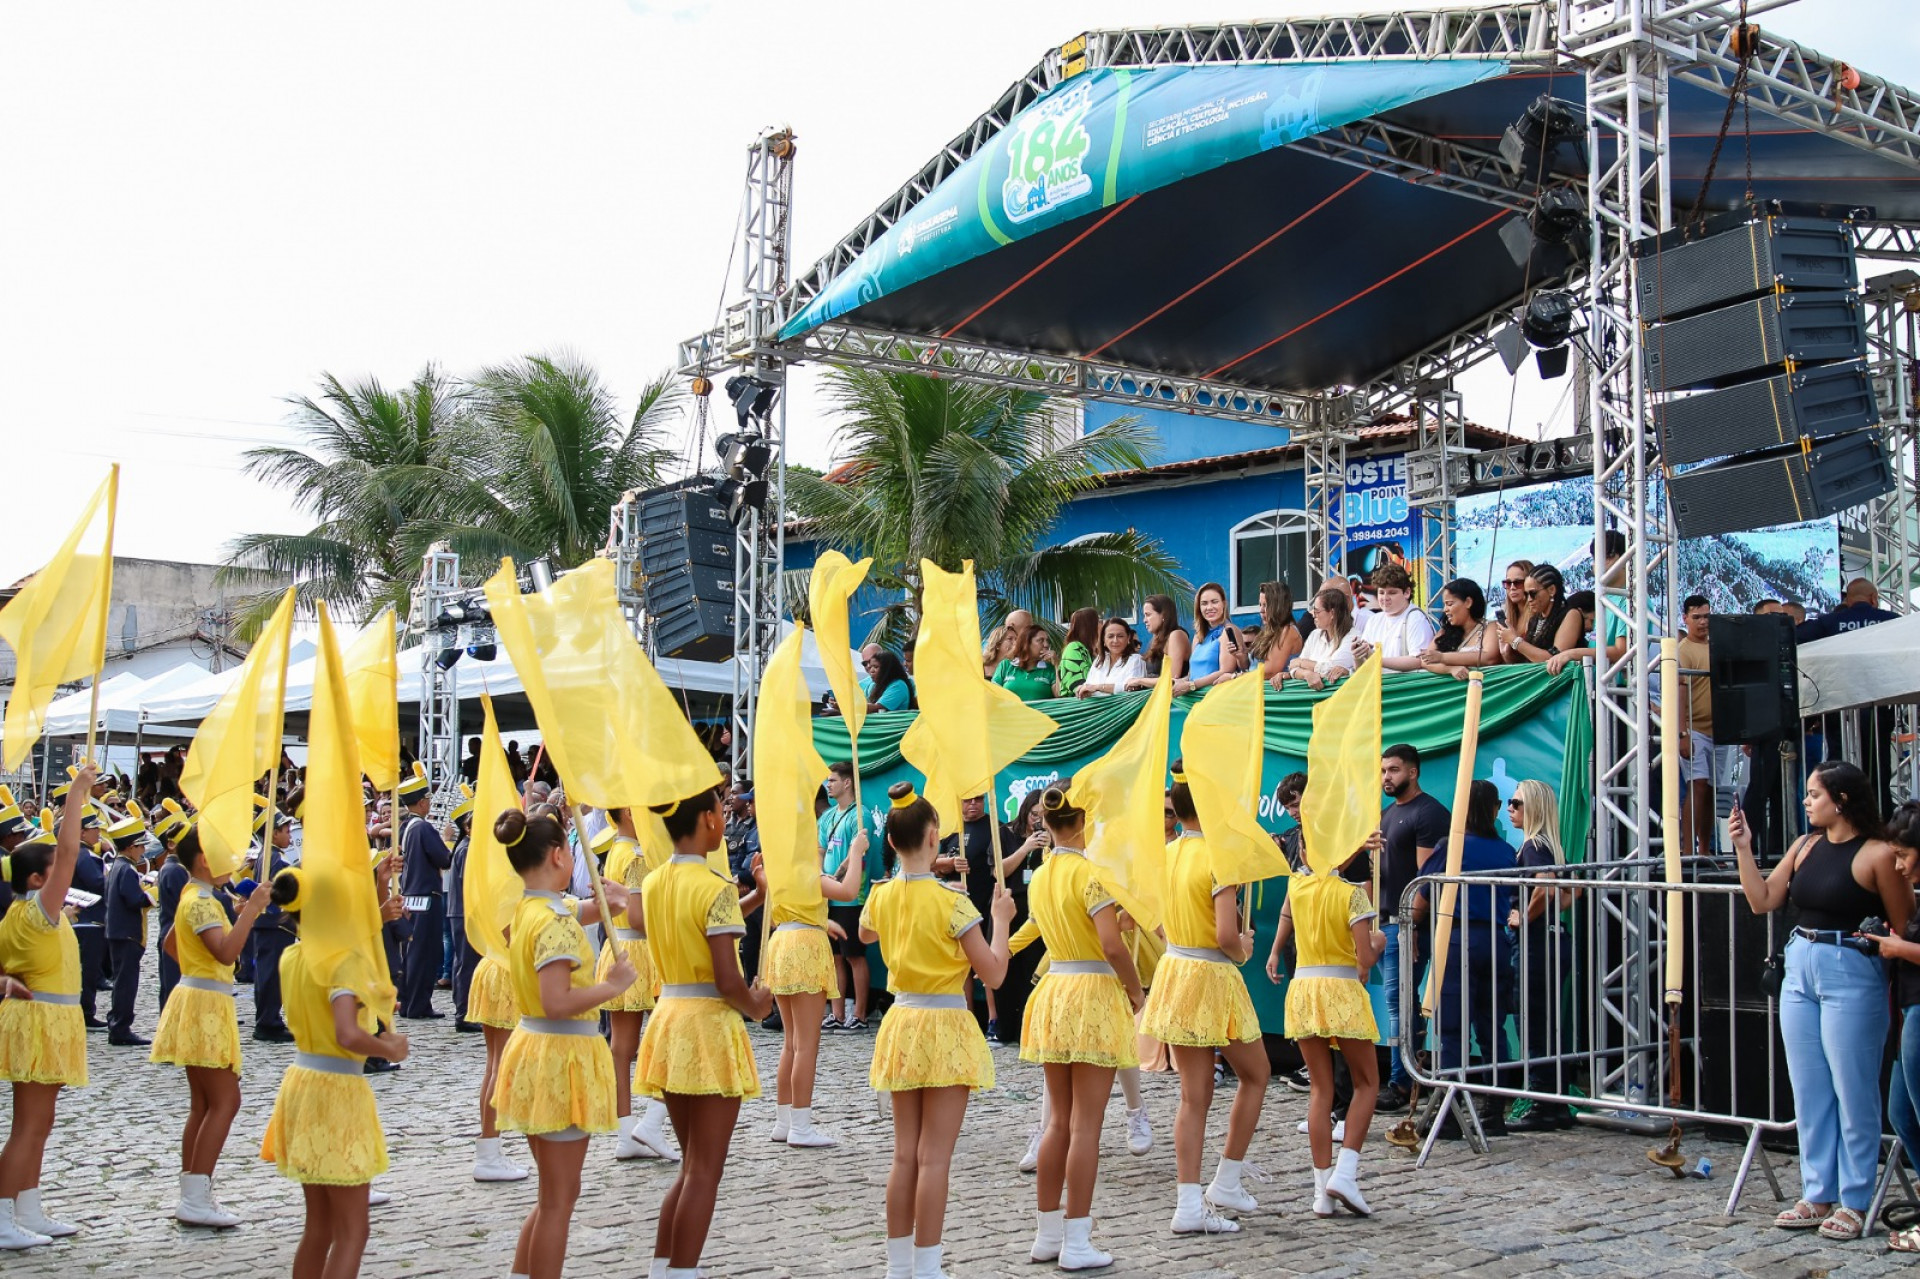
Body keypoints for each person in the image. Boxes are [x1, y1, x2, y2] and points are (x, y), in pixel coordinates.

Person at [1732, 760, 1911, 1241]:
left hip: (1851, 965)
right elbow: (1761, 899)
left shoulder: (1875, 854)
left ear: (1842, 798)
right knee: (1809, 1088)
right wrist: (1744, 849)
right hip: (1800, 963)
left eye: (1814, 793)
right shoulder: (1805, 845)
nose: (1807, 801)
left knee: (1853, 1090)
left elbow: (1903, 921)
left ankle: (1853, 1198)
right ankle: (1817, 1192)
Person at [862, 782, 1016, 1279]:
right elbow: (993, 973)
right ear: (934, 838)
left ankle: (898, 1266)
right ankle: (927, 1267)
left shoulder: (882, 896)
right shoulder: (953, 904)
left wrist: (890, 888)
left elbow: (866, 931)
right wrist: (1000, 920)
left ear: (889, 842)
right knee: (933, 1159)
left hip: (902, 1022)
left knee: (904, 1155)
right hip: (945, 1024)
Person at [633, 784, 774, 1279]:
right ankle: (681, 1270)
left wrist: (757, 894)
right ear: (711, 820)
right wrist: (757, 1005)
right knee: (703, 1171)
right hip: (707, 1027)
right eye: (718, 809)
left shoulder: (653, 883)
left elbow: (702, 930)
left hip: (669, 1018)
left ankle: (663, 1266)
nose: (723, 817)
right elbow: (727, 980)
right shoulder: (714, 887)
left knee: (691, 1166)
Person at [489, 807, 636, 1279]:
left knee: (553, 1195)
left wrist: (616, 899)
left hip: (539, 1050)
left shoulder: (533, 907)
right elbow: (557, 1000)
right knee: (559, 1200)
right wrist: (611, 987)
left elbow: (588, 909)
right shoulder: (551, 920)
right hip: (557, 1057)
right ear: (558, 855)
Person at [256, 868, 411, 1279]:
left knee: (319, 1227)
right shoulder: (340, 962)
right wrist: (386, 1046)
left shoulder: (294, 954)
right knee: (351, 1231)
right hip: (336, 1090)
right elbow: (346, 1032)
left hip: (302, 1081)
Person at [1015, 784, 1144, 1271]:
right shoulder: (1092, 875)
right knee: (1085, 1126)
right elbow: (1111, 946)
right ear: (1084, 823)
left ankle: (1047, 1234)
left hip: (1055, 990)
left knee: (1057, 1122)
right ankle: (1077, 1241)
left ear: (1047, 825)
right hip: (1090, 993)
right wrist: (1136, 991)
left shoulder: (1043, 875)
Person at [1139, 763, 1271, 1236]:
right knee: (1256, 1074)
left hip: (1175, 968)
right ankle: (1226, 1179)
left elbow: (1154, 918)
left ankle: (1190, 1202)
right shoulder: (1220, 857)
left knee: (1193, 1097)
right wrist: (1245, 948)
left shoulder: (1168, 854)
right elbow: (1225, 935)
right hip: (1210, 974)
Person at [151, 823, 274, 1228]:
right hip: (205, 1003)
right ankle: (197, 1194)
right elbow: (225, 954)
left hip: (196, 996)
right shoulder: (203, 900)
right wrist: (251, 912)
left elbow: (172, 943)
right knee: (225, 1102)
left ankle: (193, 1191)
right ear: (204, 860)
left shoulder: (195, 894)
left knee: (204, 1104)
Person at [1270, 807, 1386, 1217]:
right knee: (1366, 1083)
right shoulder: (1352, 894)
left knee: (1320, 1090)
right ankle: (1346, 1173)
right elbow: (1365, 959)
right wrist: (1380, 941)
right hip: (1339, 989)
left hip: (1303, 988)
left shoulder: (1298, 887)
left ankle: (1321, 1191)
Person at [0, 766, 96, 1248]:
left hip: (48, 1019)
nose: (64, 870)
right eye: (54, 869)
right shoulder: (37, 910)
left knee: (40, 1123)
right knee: (28, 1126)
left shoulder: (27, 912)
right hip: (41, 1021)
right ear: (39, 878)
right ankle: (2, 1216)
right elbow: (71, 851)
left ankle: (28, 1209)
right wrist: (77, 792)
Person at [755, 796, 865, 1148]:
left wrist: (821, 920)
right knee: (806, 1045)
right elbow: (848, 891)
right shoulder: (806, 869)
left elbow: (781, 914)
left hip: (783, 943)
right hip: (804, 948)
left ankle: (784, 1120)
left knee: (790, 1043)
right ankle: (801, 1125)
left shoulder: (779, 868)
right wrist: (858, 851)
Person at [1411, 780, 1519, 1139]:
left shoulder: (1452, 848)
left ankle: (1451, 1113)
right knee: (1492, 1028)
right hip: (1495, 941)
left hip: (1457, 938)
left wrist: (1410, 926)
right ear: (1492, 809)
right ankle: (1493, 1110)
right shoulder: (1505, 851)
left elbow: (1422, 893)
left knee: (1453, 1028)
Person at [600, 808, 680, 1163]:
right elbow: (637, 915)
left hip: (617, 946)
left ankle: (625, 1130)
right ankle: (651, 1120)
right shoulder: (633, 855)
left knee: (622, 1048)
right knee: (668, 1036)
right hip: (639, 949)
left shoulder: (615, 851)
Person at [1375, 744, 1447, 1111]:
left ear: (1413, 772)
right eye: (1384, 770)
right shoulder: (1388, 813)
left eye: (1394, 770)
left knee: (1399, 1000)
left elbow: (1427, 879)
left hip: (1407, 925)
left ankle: (1401, 1084)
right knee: (1399, 1001)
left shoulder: (1429, 813)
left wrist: (1413, 925)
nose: (1387, 776)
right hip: (1387, 922)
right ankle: (1408, 1075)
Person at [939, 793, 1041, 1045]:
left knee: (1032, 968)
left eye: (1043, 816)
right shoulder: (1004, 833)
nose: (1038, 821)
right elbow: (999, 871)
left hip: (1033, 907)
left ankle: (1029, 1028)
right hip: (1001, 903)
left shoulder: (999, 827)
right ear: (1025, 811)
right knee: (995, 965)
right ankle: (995, 1024)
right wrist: (1027, 847)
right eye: (1034, 814)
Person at [1505, 779, 1576, 1132]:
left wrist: (1523, 917)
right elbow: (1568, 892)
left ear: (1532, 807)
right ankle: (1553, 1101)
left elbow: (1549, 887)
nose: (1510, 808)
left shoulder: (1534, 846)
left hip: (1536, 944)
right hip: (1551, 940)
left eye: (1516, 803)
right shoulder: (1551, 845)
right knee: (1546, 1023)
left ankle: (1543, 1101)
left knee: (1533, 1024)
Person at [1872, 803, 1920, 1255]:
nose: (1900, 866)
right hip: (1910, 1009)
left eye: (1904, 855)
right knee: (1902, 1114)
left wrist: (1899, 946)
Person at [819, 762, 879, 1031]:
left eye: (832, 780)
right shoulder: (827, 817)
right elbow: (820, 850)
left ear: (847, 783)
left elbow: (859, 852)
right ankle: (837, 1012)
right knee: (835, 957)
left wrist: (838, 875)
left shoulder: (860, 815)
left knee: (854, 954)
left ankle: (861, 1015)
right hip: (827, 896)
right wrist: (821, 875)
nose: (828, 785)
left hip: (851, 896)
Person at [394, 765, 451, 1020]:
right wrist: (448, 839)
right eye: (427, 799)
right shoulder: (423, 828)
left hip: (411, 895)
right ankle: (419, 1004)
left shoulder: (406, 827)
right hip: (426, 897)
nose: (430, 803)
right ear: (420, 802)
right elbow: (443, 858)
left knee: (412, 954)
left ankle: (408, 1002)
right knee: (425, 954)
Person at [1676, 594, 1728, 858]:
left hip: (1719, 729)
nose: (1703, 622)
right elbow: (1679, 693)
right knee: (1696, 787)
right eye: (1696, 617)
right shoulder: (1682, 650)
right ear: (1685, 618)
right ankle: (1687, 851)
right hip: (1694, 730)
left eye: (1707, 616)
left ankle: (1705, 850)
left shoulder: (1718, 646)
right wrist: (1682, 733)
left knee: (1709, 791)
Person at [102, 806, 155, 1047]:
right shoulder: (126, 869)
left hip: (119, 933)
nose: (143, 850)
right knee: (126, 983)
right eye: (141, 846)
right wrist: (151, 894)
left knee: (123, 980)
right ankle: (121, 1026)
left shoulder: (119, 866)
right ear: (131, 847)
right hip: (127, 934)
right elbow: (134, 899)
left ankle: (118, 1022)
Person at [249, 806, 299, 1043]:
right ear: (274, 833)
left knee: (268, 973)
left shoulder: (268, 856)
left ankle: (269, 1018)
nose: (290, 835)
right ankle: (268, 1021)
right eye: (285, 831)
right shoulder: (275, 859)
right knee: (271, 975)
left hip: (269, 924)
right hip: (275, 923)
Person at [151, 800, 193, 1012]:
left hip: (172, 933)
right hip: (173, 935)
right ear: (172, 844)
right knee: (173, 989)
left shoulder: (176, 868)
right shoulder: (175, 870)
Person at [1357, 563, 1437, 673]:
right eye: (1381, 592)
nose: (1385, 598)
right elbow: (1362, 669)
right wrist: (1357, 655)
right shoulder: (1373, 621)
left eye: (1392, 593)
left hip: (1407, 688)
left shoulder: (1416, 618)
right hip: (1379, 687)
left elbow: (1419, 660)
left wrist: (1376, 659)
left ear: (1407, 593)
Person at [1419, 578, 1499, 676]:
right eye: (1444, 605)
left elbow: (1489, 658)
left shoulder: (1490, 627)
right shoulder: (1445, 631)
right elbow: (1425, 661)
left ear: (1468, 602)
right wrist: (1450, 669)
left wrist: (1442, 657)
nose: (1445, 609)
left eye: (1449, 604)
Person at [1504, 565, 1582, 664]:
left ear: (1551, 590)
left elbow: (1554, 659)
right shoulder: (1534, 620)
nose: (1529, 600)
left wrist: (1515, 641)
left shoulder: (1571, 615)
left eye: (1533, 593)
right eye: (1526, 594)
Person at [1180, 582, 1247, 694]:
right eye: (1204, 603)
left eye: (1214, 602)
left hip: (1215, 696)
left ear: (1224, 604)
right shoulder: (1198, 636)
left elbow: (1226, 671)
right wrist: (1179, 682)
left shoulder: (1229, 630)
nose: (1209, 607)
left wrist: (1192, 685)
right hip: (1193, 696)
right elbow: (1192, 675)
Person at [1286, 589, 1360, 690]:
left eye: (1317, 611)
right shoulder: (1315, 635)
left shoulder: (1353, 637)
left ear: (1332, 613)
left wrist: (1301, 662)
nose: (1313, 614)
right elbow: (1292, 668)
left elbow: (1331, 670)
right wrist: (1306, 674)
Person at [1796, 577, 1899, 643]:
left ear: (1847, 600)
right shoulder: (1894, 620)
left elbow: (1797, 636)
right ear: (1873, 598)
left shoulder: (1828, 621)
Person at [992, 610, 1059, 703]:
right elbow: (993, 695)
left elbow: (1059, 694)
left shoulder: (1049, 668)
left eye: (1047, 641)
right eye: (1040, 640)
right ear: (1026, 643)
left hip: (1040, 717)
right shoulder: (1005, 665)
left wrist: (1056, 665)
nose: (1046, 645)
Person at [1127, 594, 1191, 690]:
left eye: (1148, 615)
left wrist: (1140, 681)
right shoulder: (1156, 638)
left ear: (1163, 615)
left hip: (1173, 700)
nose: (1144, 620)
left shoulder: (1176, 635)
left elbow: (1173, 678)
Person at [1251, 580, 1304, 689]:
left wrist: (1236, 676)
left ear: (1279, 606)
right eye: (1260, 604)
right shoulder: (1267, 631)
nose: (1261, 610)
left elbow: (1269, 671)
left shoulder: (1288, 631)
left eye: (1266, 605)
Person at [1077, 617, 1146, 697]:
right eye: (1110, 636)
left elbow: (1131, 689)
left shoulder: (1136, 660)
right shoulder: (1099, 660)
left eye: (1120, 636)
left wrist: (1098, 687)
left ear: (1128, 638)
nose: (1115, 640)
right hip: (1095, 708)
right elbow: (1089, 686)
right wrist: (1083, 689)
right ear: (1104, 640)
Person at [1055, 608, 1101, 699]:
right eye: (1099, 621)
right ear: (1091, 626)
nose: (1102, 624)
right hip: (1079, 705)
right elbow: (1075, 681)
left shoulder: (1090, 651)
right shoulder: (1074, 647)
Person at [861, 646, 917, 713]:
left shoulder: (898, 686)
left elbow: (876, 708)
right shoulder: (873, 685)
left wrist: (850, 707)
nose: (871, 670)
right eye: (865, 664)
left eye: (876, 667)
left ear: (887, 669)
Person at [1494, 560, 1534, 631]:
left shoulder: (1538, 617)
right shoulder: (1508, 617)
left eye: (1518, 582)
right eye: (1508, 583)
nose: (1512, 587)